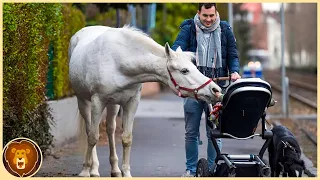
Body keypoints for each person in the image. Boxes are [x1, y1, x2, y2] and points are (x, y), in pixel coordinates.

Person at [171, 3, 241, 177]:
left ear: (216, 13)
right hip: (193, 90)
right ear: (198, 13)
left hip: (216, 91)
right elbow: (177, 48)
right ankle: (191, 170)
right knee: (191, 132)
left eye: (212, 16)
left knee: (215, 133)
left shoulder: (225, 29)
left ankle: (213, 170)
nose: (209, 20)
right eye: (205, 16)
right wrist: (176, 53)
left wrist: (234, 71)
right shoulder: (188, 28)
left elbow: (232, 54)